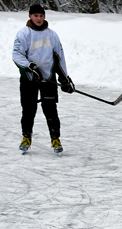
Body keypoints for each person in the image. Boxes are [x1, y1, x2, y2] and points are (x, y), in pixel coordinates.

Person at [12, 4, 75, 154]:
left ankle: (55, 139)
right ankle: (26, 137)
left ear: (44, 17)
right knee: (28, 110)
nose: (39, 19)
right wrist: (29, 67)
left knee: (51, 110)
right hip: (29, 79)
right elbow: (17, 55)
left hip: (48, 79)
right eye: (36, 16)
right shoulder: (23, 33)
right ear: (30, 16)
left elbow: (59, 58)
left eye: (41, 16)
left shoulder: (52, 35)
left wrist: (64, 79)